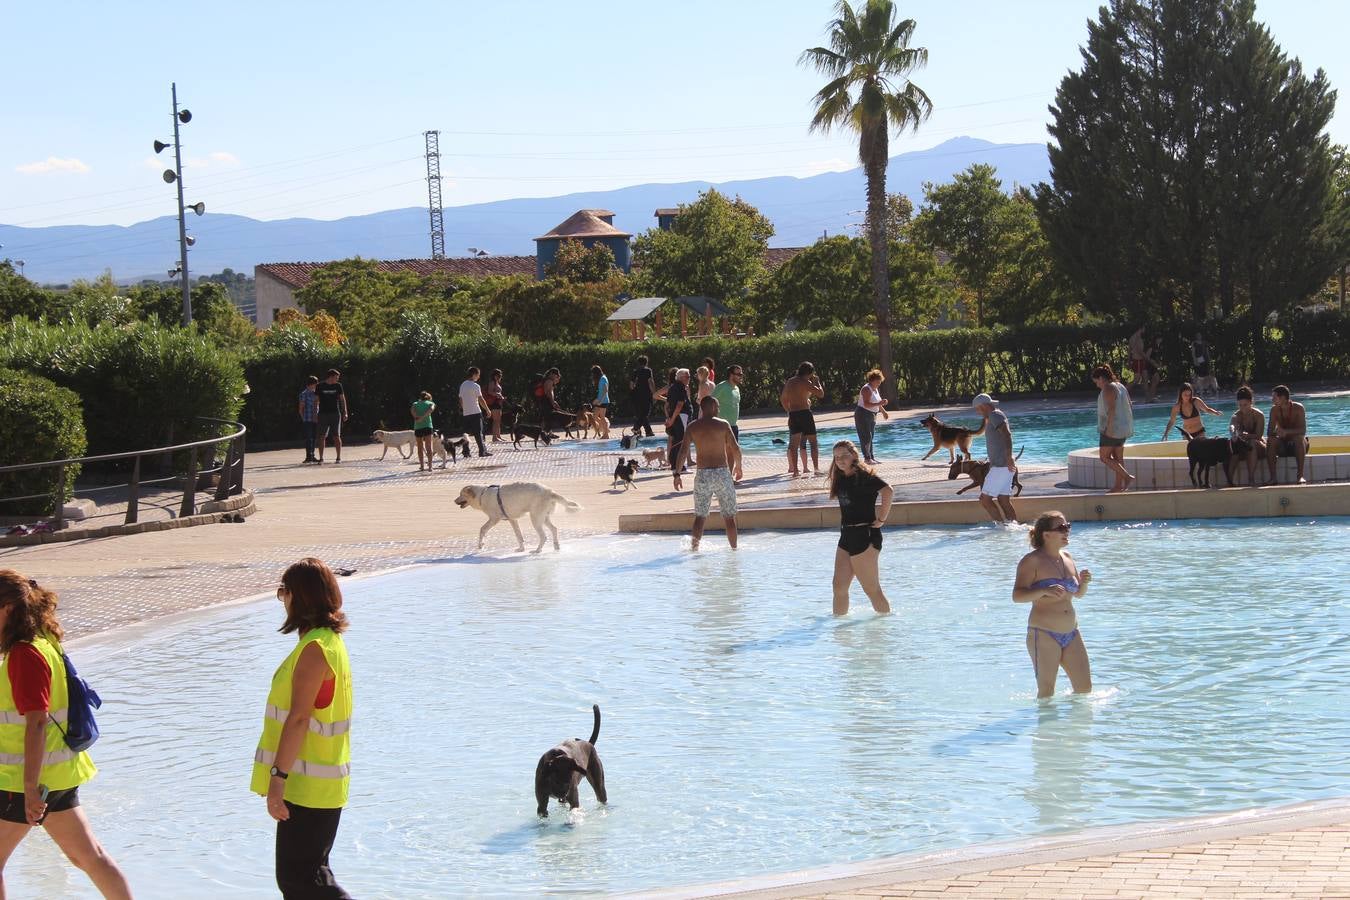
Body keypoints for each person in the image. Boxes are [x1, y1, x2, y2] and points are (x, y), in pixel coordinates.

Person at [0, 571, 134, 900]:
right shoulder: (45, 638)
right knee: (89, 856)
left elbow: (37, 721)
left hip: (24, 781)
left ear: (6, 609)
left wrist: (30, 789)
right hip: (57, 773)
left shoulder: (24, 653)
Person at [253, 558, 353, 900]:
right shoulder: (326, 643)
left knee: (301, 880)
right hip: (317, 782)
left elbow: (298, 719)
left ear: (300, 597)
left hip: (308, 785)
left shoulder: (315, 650)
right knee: (307, 877)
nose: (283, 599)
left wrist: (277, 778)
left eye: (285, 591)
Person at [1012, 512, 1094, 699]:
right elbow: (1017, 596)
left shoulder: (1067, 557)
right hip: (1043, 634)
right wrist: (1043, 591)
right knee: (1047, 693)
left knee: (1084, 690)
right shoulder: (1031, 561)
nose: (1067, 532)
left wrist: (1084, 583)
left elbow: (1077, 594)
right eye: (1061, 528)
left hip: (1072, 633)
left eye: (1068, 526)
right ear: (1046, 535)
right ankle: (1046, 729)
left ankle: (1074, 728)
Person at [828, 441, 892, 615]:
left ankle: (885, 626)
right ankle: (839, 630)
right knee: (839, 587)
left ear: (854, 455)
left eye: (844, 456)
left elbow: (888, 491)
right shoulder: (840, 477)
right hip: (846, 535)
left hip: (865, 535)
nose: (840, 460)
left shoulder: (864, 476)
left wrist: (881, 519)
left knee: (871, 589)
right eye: (836, 457)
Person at [674, 396, 743, 550]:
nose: (719, 410)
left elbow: (683, 451)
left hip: (703, 475)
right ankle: (734, 550)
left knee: (700, 516)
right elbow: (735, 448)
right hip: (722, 474)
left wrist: (677, 474)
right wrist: (738, 467)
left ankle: (694, 550)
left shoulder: (693, 427)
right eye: (717, 407)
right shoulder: (723, 425)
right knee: (729, 517)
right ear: (711, 407)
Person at [973, 392, 1018, 524]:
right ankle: (1013, 527)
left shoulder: (994, 415)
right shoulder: (995, 415)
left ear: (983, 406)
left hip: (1001, 466)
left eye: (978, 409)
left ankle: (1001, 528)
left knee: (984, 499)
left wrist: (1008, 457)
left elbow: (1007, 435)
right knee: (1003, 500)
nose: (977, 412)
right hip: (1003, 465)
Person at [1091, 364, 1134, 493]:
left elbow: (1112, 409)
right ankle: (1118, 486)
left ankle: (1127, 477)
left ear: (1101, 378)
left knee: (1104, 457)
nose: (1097, 385)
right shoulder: (1120, 386)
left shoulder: (1108, 388)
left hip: (1112, 429)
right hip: (1123, 428)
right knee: (1118, 458)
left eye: (1096, 381)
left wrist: (1109, 429)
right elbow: (1130, 405)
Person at [781, 362, 825, 477]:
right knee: (813, 443)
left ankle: (795, 471)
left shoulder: (790, 381)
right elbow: (820, 394)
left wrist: (789, 411)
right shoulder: (805, 382)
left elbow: (783, 399)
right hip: (805, 413)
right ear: (810, 373)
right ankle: (816, 468)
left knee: (794, 445)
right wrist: (817, 382)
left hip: (793, 414)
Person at [1265, 384, 1308, 485]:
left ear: (1283, 398)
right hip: (1282, 445)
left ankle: (1300, 476)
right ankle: (1273, 477)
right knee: (1271, 440)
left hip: (1298, 444)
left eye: (1274, 397)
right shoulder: (1274, 410)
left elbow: (1303, 430)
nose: (1272, 400)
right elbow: (1269, 432)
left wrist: (1286, 432)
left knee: (1298, 438)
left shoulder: (1298, 408)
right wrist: (1277, 432)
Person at [1228, 385, 1266, 486]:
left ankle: (1251, 478)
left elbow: (1258, 435)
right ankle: (1230, 480)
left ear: (1251, 402)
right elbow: (1232, 427)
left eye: (1245, 405)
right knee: (1233, 445)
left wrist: (1247, 436)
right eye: (1240, 405)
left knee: (1252, 443)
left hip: (1259, 445)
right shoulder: (1236, 415)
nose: (1242, 408)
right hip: (1244, 445)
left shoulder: (1258, 415)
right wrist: (1233, 433)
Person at [854, 369, 889, 464]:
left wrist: (884, 412)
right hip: (863, 413)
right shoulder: (866, 389)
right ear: (872, 380)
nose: (879, 384)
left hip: (872, 414)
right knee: (866, 436)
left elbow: (877, 403)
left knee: (870, 436)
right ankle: (867, 458)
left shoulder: (875, 389)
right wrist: (879, 403)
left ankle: (871, 457)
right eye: (878, 382)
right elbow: (866, 404)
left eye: (880, 382)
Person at [663, 369, 692, 474]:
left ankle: (675, 466)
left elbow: (667, 405)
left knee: (676, 440)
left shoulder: (671, 387)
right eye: (687, 377)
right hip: (681, 416)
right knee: (680, 441)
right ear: (681, 377)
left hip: (677, 417)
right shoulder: (680, 387)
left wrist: (670, 418)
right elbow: (679, 405)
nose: (689, 379)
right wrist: (673, 419)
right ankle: (679, 467)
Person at [315, 369, 348, 464]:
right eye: (336, 377)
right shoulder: (320, 386)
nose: (337, 379)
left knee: (336, 436)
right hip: (322, 414)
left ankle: (338, 458)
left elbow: (342, 399)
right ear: (331, 376)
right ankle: (321, 458)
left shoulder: (338, 386)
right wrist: (315, 413)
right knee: (321, 436)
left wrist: (345, 412)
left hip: (335, 414)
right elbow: (316, 401)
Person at [459, 367, 491, 458]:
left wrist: (463, 408)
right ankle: (482, 451)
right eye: (478, 374)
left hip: (466, 413)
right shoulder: (475, 386)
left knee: (466, 433)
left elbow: (460, 399)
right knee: (478, 432)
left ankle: (466, 452)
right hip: (476, 412)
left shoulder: (463, 385)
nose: (479, 376)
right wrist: (487, 410)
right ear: (474, 374)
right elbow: (481, 399)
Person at [710, 365, 744, 441]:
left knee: (734, 451)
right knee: (722, 452)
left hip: (733, 426)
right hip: (721, 426)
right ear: (731, 375)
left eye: (741, 374)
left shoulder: (736, 388)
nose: (741, 376)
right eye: (739, 374)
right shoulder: (722, 387)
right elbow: (710, 402)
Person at [629, 355, 656, 437]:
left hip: (636, 395)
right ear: (646, 362)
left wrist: (634, 390)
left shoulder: (635, 371)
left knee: (640, 414)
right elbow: (650, 381)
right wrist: (654, 393)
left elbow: (631, 384)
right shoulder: (648, 370)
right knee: (645, 413)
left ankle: (648, 432)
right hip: (646, 395)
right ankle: (636, 428)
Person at [410, 391, 436, 472]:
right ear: (428, 398)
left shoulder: (415, 403)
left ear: (420, 397)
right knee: (429, 447)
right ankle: (430, 466)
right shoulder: (430, 403)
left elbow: (412, 411)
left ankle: (422, 466)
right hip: (428, 426)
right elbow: (431, 409)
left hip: (418, 427)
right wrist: (423, 417)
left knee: (420, 447)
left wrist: (417, 417)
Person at [298, 375, 320, 464]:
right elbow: (301, 408)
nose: (317, 385)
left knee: (314, 438)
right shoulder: (304, 394)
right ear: (311, 384)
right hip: (307, 419)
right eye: (316, 383)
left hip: (316, 418)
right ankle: (308, 456)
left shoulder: (316, 393)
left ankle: (312, 455)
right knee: (308, 438)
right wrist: (303, 418)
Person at [1189, 331, 1218, 397]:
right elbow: (1193, 352)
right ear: (1196, 336)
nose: (1199, 336)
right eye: (1198, 335)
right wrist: (1195, 361)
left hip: (1205, 359)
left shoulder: (1205, 343)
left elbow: (1207, 351)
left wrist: (1209, 360)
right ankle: (1199, 390)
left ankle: (1208, 389)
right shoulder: (1194, 343)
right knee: (1199, 375)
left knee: (1207, 375)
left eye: (1200, 335)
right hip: (1198, 360)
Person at [1127, 325, 1149, 400]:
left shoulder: (1133, 337)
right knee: (1136, 379)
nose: (1145, 330)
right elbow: (1139, 351)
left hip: (1141, 360)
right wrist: (1147, 358)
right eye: (1144, 328)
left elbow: (1129, 351)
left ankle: (1147, 397)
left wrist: (1129, 361)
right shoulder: (1136, 338)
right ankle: (1122, 393)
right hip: (1138, 361)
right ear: (1141, 328)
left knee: (1145, 378)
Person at [484, 369, 506, 443]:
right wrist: (497, 394)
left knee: (498, 420)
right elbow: (490, 391)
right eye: (498, 375)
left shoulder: (497, 382)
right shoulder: (492, 382)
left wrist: (501, 396)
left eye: (500, 375)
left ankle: (498, 436)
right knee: (495, 420)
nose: (499, 377)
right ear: (494, 375)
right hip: (494, 403)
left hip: (498, 402)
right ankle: (494, 437)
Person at [590, 365, 611, 439]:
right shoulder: (601, 378)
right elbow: (601, 391)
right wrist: (597, 399)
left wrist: (600, 401)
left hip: (603, 401)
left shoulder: (603, 378)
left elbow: (605, 390)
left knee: (602, 417)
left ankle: (606, 435)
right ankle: (606, 429)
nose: (592, 375)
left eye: (593, 373)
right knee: (594, 416)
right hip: (600, 401)